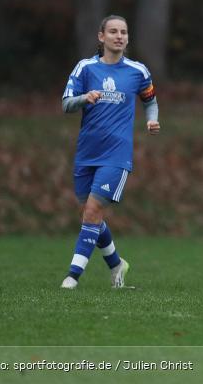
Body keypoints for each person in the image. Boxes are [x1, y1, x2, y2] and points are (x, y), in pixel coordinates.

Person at [59, 15, 159, 289]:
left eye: (124, 32)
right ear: (101, 37)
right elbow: (66, 104)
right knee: (91, 215)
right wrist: (85, 98)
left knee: (92, 211)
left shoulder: (138, 71)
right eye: (113, 31)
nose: (119, 36)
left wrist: (152, 119)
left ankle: (73, 276)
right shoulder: (85, 68)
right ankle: (117, 265)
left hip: (117, 155)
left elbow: (150, 101)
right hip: (87, 153)